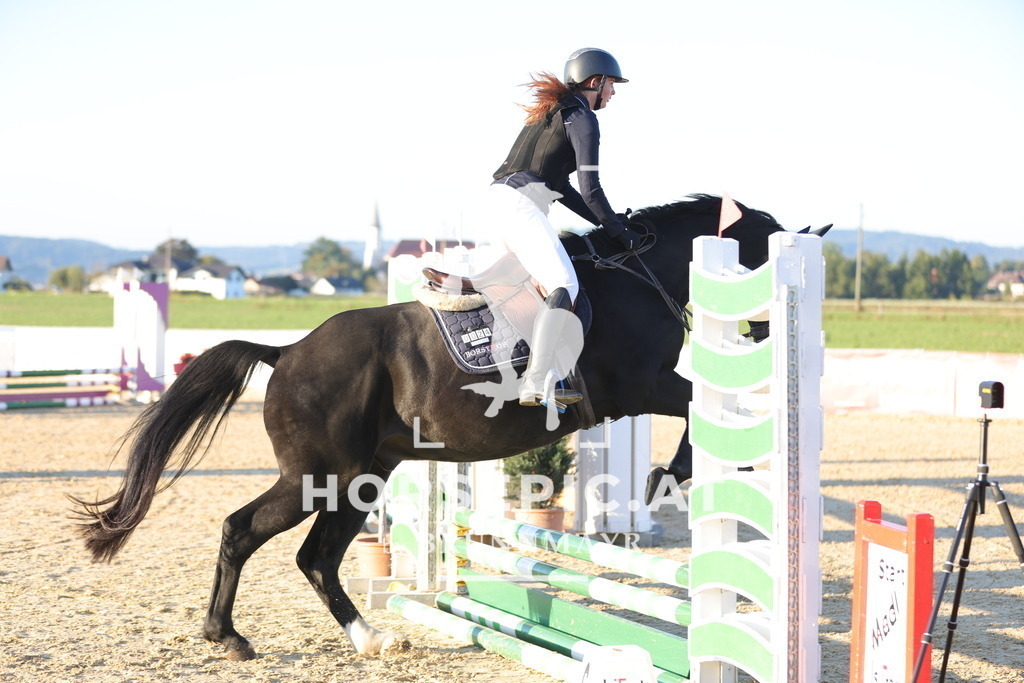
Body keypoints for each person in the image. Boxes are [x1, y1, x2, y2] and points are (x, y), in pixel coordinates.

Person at [490, 47, 642, 409]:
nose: (613, 93)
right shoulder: (583, 118)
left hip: (498, 201)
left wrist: (609, 223)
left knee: (527, 290)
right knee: (564, 284)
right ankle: (538, 379)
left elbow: (565, 190)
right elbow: (591, 190)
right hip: (522, 205)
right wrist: (620, 232)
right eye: (611, 85)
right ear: (595, 82)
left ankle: (532, 372)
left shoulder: (551, 111)